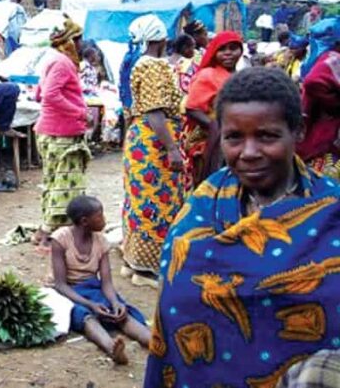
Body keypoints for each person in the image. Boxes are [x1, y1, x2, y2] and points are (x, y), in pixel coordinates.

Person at [144, 67, 340, 388]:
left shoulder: (332, 211)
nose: (248, 153)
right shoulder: (203, 208)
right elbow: (177, 306)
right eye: (234, 137)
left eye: (267, 136)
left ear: (299, 131)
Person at [120, 16, 184, 288]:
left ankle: (132, 262)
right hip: (154, 142)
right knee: (157, 202)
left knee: (138, 200)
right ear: (162, 38)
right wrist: (172, 148)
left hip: (140, 139)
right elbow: (155, 110)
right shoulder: (155, 67)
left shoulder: (138, 63)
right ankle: (147, 270)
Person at [51, 195, 150, 366]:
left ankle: (155, 342)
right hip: (70, 292)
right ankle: (111, 348)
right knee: (85, 317)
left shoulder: (101, 241)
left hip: (92, 288)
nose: (104, 219)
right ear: (84, 221)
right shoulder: (60, 239)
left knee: (120, 312)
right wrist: (90, 305)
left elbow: (106, 283)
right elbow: (60, 284)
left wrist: (114, 301)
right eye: (99, 215)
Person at [34, 15, 90, 243]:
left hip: (50, 130)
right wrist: (80, 112)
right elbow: (49, 95)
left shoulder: (51, 59)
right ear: (70, 40)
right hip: (61, 133)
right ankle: (49, 234)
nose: (81, 45)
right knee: (65, 186)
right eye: (78, 40)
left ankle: (45, 230)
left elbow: (39, 93)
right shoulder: (63, 62)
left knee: (52, 181)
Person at [183, 30, 243, 187]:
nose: (228, 53)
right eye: (222, 49)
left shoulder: (241, 76)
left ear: (241, 51)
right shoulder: (208, 75)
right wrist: (216, 126)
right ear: (214, 52)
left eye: (233, 48)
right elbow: (191, 108)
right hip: (212, 138)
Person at [297, 18, 340, 180]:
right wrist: (335, 104)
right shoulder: (333, 58)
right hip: (324, 138)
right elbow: (313, 82)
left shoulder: (319, 59)